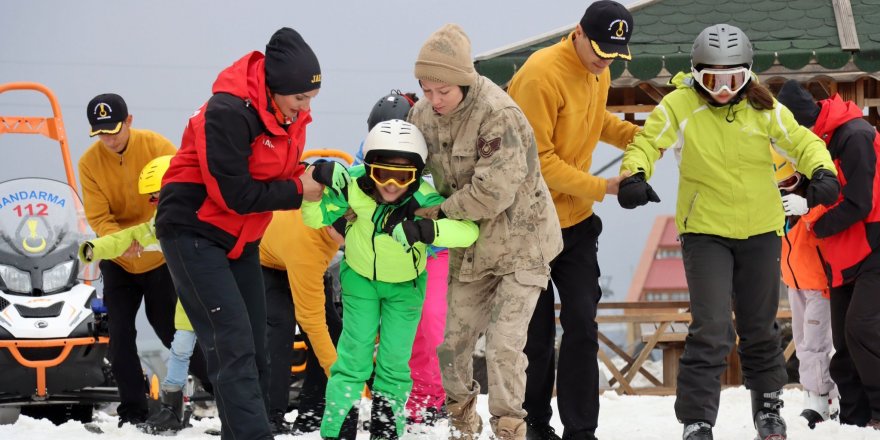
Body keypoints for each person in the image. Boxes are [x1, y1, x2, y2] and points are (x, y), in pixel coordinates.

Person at [616, 24, 838, 440]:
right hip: (705, 231)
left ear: (748, 74)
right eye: (712, 79)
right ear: (696, 73)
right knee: (712, 325)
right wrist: (634, 174)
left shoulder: (764, 105)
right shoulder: (680, 105)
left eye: (733, 78)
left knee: (759, 325)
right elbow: (648, 142)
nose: (722, 88)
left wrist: (821, 169)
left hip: (760, 229)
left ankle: (769, 409)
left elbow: (801, 142)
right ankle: (697, 419)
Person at [154, 27, 342, 440]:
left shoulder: (288, 112)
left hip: (242, 239)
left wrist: (311, 173)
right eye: (300, 98)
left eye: (311, 98)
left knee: (256, 349)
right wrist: (298, 189)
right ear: (274, 88)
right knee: (232, 343)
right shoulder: (227, 112)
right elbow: (233, 193)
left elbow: (273, 170)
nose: (306, 107)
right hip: (193, 229)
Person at [409, 24, 563, 440]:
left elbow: (491, 194)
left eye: (443, 91)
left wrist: (435, 214)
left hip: (522, 246)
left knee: (503, 347)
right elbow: (407, 171)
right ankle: (462, 424)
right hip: (470, 248)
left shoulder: (500, 115)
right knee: (452, 346)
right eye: (427, 89)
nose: (435, 100)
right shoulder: (421, 115)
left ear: (463, 81)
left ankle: (510, 428)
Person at [506, 2, 639, 439]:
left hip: (577, 224)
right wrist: (607, 187)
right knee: (537, 334)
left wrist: (637, 135)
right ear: (578, 33)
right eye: (600, 49)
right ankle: (535, 425)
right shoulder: (539, 76)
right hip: (528, 224)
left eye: (615, 54)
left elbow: (594, 119)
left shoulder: (599, 70)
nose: (606, 61)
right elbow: (537, 162)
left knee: (582, 322)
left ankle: (581, 429)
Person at [303, 119, 479, 440]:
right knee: (354, 356)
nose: (392, 185)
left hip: (404, 289)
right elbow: (313, 217)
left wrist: (427, 229)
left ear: (417, 176)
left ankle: (386, 430)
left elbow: (468, 231)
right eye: (383, 173)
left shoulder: (422, 198)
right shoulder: (354, 185)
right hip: (360, 282)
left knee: (395, 361)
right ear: (368, 167)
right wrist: (318, 180)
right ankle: (337, 429)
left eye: (404, 176)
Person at [78, 93, 200, 427]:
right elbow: (99, 216)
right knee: (119, 338)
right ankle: (134, 411)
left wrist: (150, 236)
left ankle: (220, 390)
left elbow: (179, 193)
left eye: (114, 131)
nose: (109, 139)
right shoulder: (89, 164)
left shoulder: (157, 146)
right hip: (119, 261)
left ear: (129, 121)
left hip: (159, 259)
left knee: (171, 331)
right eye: (101, 133)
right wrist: (118, 243)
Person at [775, 79, 880, 430]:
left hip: (873, 245)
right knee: (843, 341)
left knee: (861, 328)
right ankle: (853, 417)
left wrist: (812, 216)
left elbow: (860, 201)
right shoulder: (817, 142)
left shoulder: (854, 135)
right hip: (842, 253)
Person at [771, 148, 839, 429]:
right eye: (778, 185)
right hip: (794, 282)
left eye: (789, 183)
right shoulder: (780, 213)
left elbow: (829, 209)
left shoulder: (814, 204)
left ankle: (820, 398)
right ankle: (825, 396)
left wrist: (807, 207)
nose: (784, 190)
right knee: (802, 344)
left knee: (815, 344)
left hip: (818, 285)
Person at [260, 209, 344, 435]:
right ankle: (270, 414)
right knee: (280, 325)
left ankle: (312, 413)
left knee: (334, 331)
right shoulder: (308, 246)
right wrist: (340, 381)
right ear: (329, 227)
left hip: (300, 256)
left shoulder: (341, 208)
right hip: (264, 262)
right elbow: (312, 322)